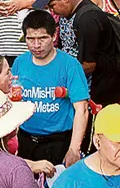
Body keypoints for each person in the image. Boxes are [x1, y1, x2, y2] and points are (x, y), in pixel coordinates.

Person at [34, 0, 120, 105]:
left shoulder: (88, 19)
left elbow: (89, 65)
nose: (52, 11)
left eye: (52, 6)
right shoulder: (68, 12)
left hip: (96, 94)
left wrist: (56, 74)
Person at [12, 10, 89, 166]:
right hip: (26, 139)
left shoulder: (70, 65)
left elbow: (82, 109)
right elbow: (13, 100)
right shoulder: (20, 62)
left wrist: (74, 149)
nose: (36, 45)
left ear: (54, 36)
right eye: (30, 39)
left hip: (59, 142)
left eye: (42, 38)